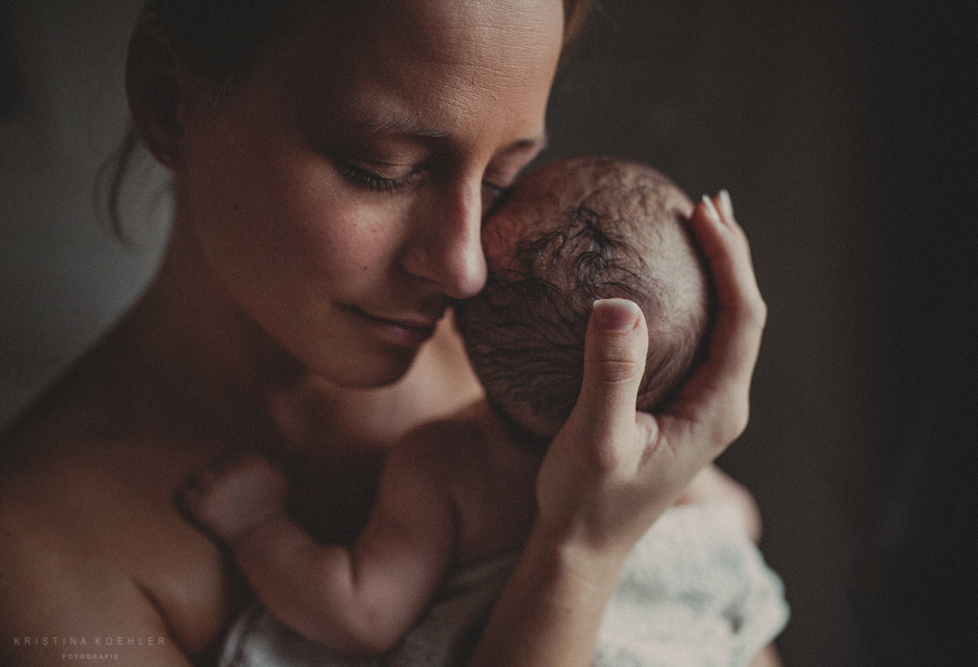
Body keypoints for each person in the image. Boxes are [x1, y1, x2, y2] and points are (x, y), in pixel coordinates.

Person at [0, 2, 770, 667]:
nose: (466, 271)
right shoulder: (41, 561)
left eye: (502, 179)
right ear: (169, 102)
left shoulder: (534, 374)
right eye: (383, 167)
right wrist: (579, 552)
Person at [179, 156, 775, 662]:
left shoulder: (447, 465)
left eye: (503, 179)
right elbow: (738, 522)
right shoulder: (665, 465)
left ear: (459, 319)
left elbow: (361, 615)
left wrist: (256, 523)